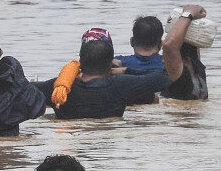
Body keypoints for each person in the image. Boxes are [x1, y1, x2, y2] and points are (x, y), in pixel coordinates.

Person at [35, 31, 170, 119]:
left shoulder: (59, 88)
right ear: (110, 63)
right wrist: (125, 70)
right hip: (107, 144)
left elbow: (23, 88)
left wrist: (69, 75)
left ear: (80, 61)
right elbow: (163, 78)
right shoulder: (120, 85)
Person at [162, 4, 210, 101]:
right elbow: (171, 45)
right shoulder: (193, 70)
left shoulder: (187, 70)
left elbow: (170, 45)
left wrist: (190, 15)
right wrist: (190, 16)